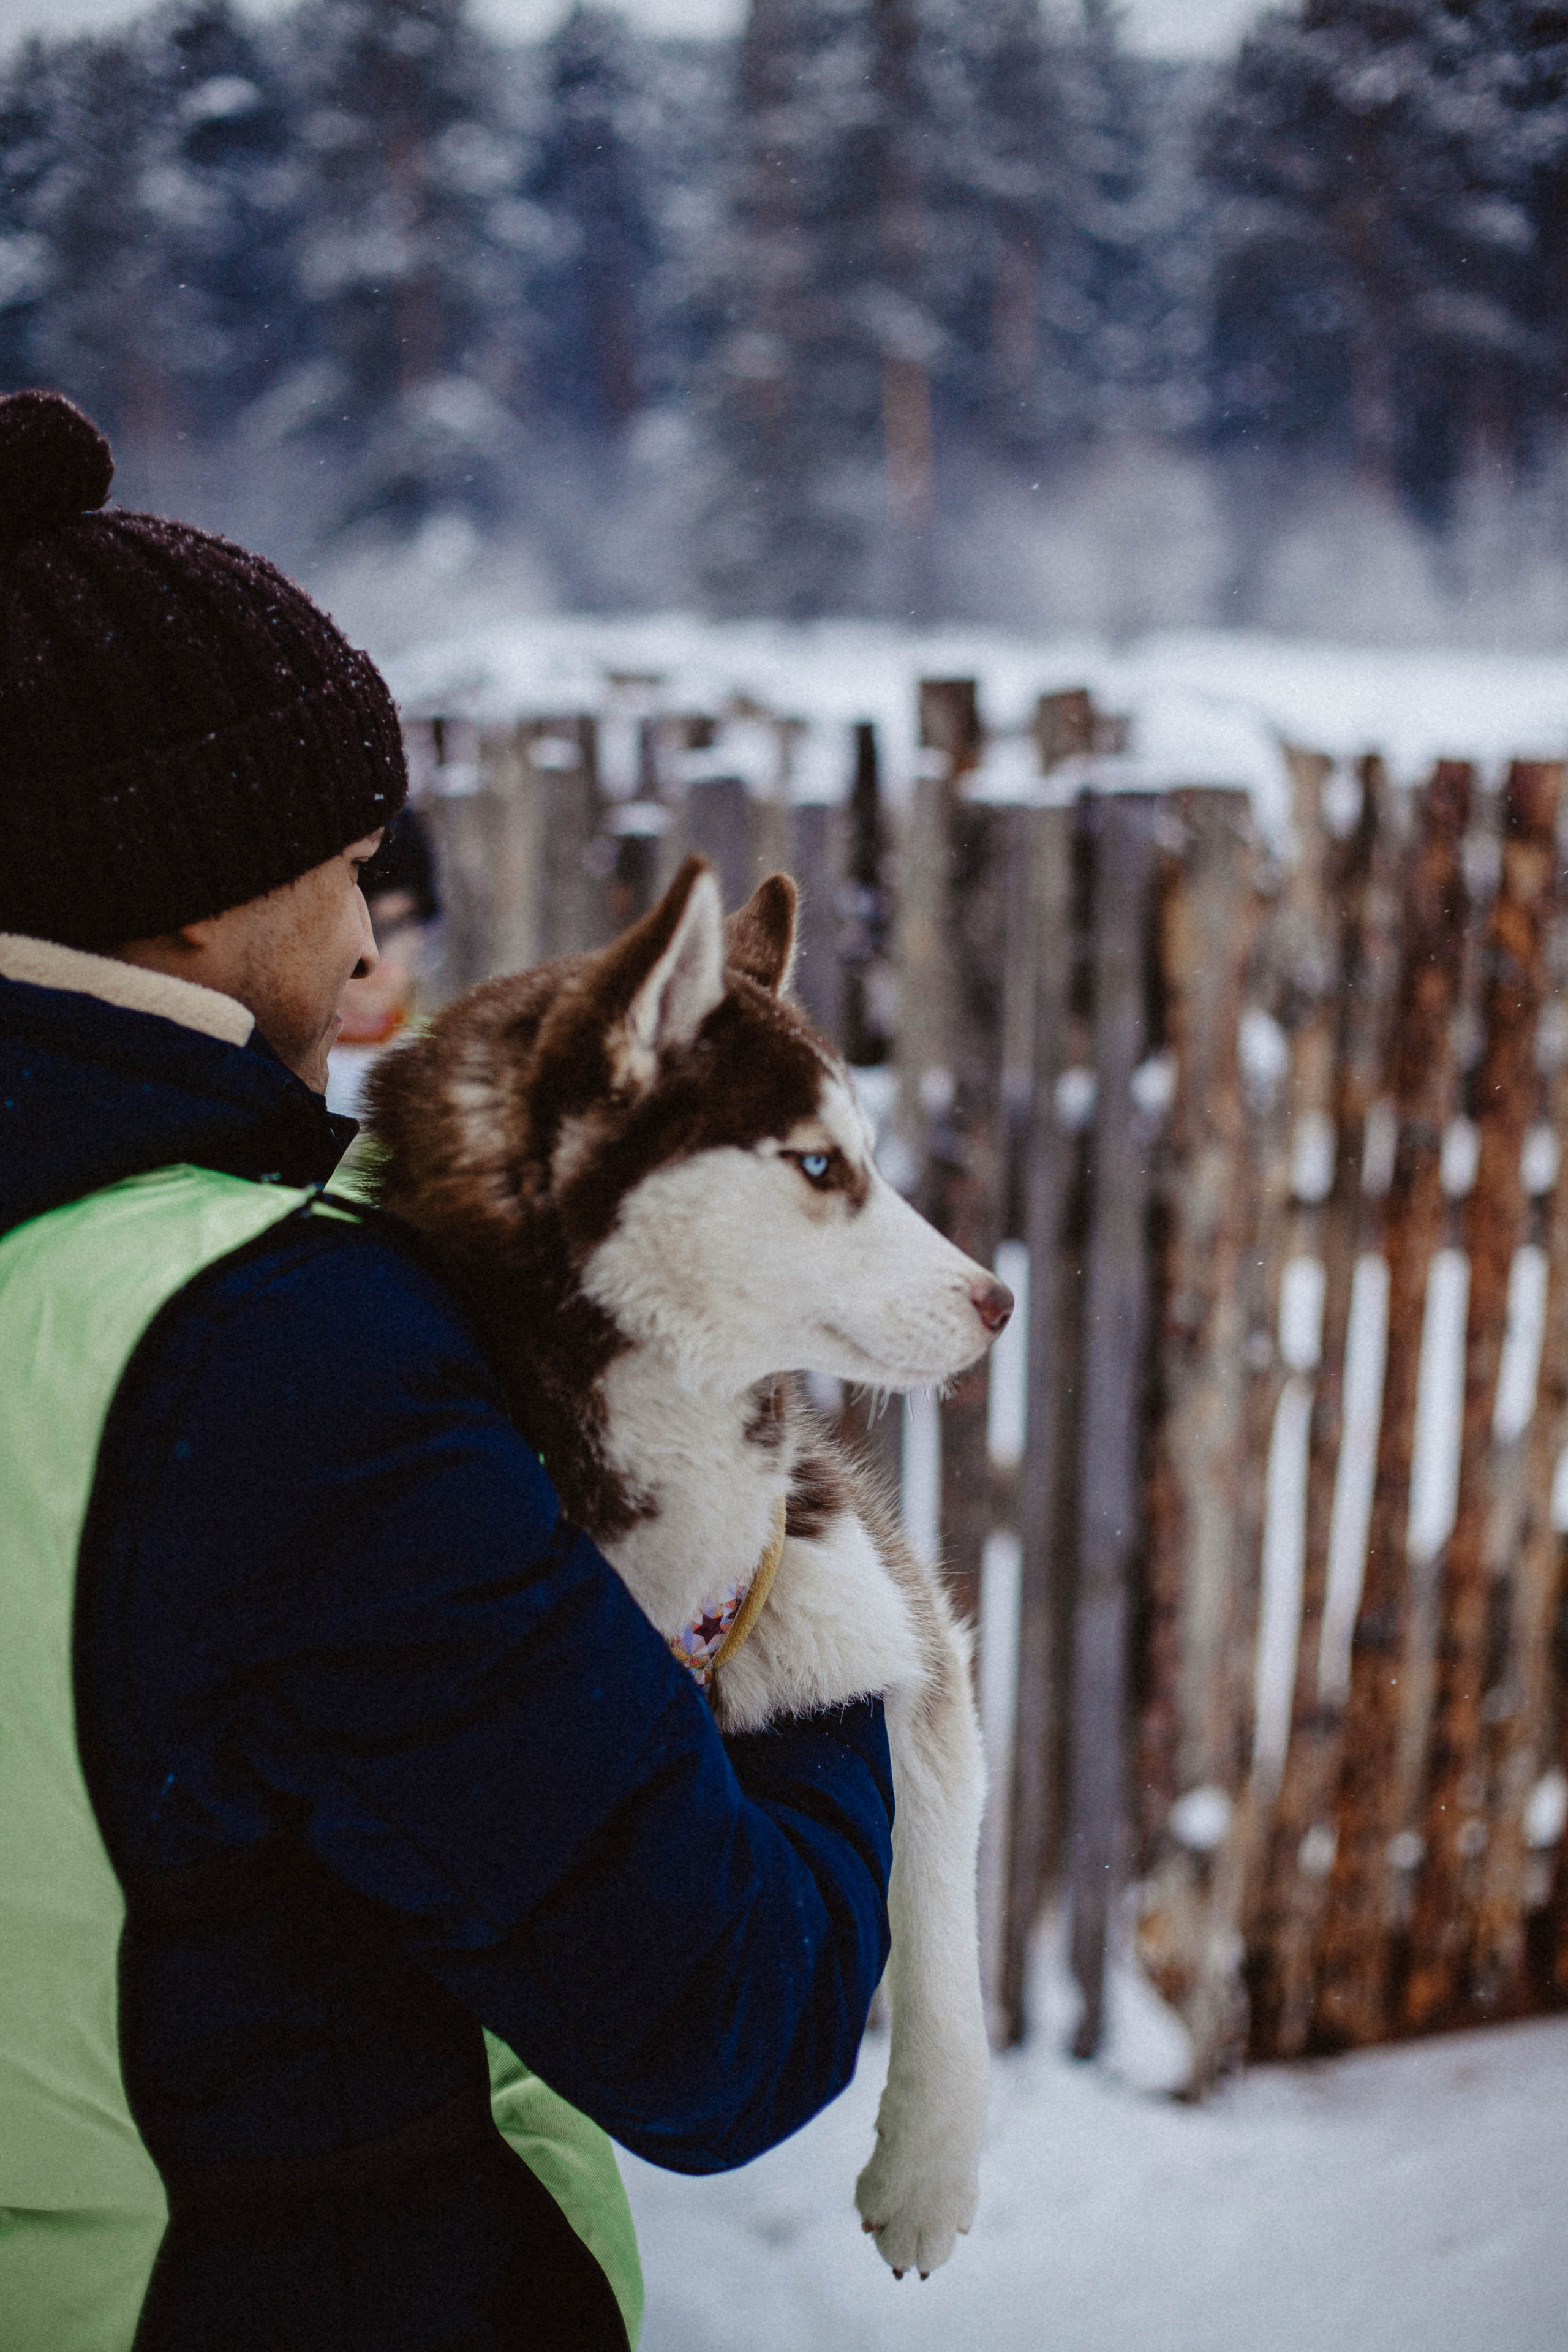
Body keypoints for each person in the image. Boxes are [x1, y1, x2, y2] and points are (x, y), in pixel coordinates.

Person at [0, 391, 895, 2352]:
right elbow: (723, 2020)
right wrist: (806, 1608)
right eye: (346, 863)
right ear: (187, 889)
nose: (372, 950)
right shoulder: (269, 1356)